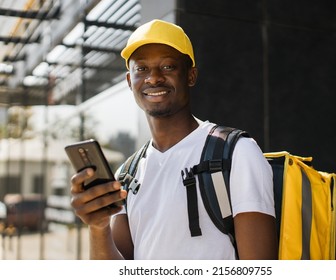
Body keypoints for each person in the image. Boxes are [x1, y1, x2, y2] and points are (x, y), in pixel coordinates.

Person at [70, 19, 278, 260]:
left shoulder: (236, 153)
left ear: (191, 76)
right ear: (129, 81)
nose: (154, 78)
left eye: (168, 67)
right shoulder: (126, 176)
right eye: (141, 69)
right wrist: (98, 227)